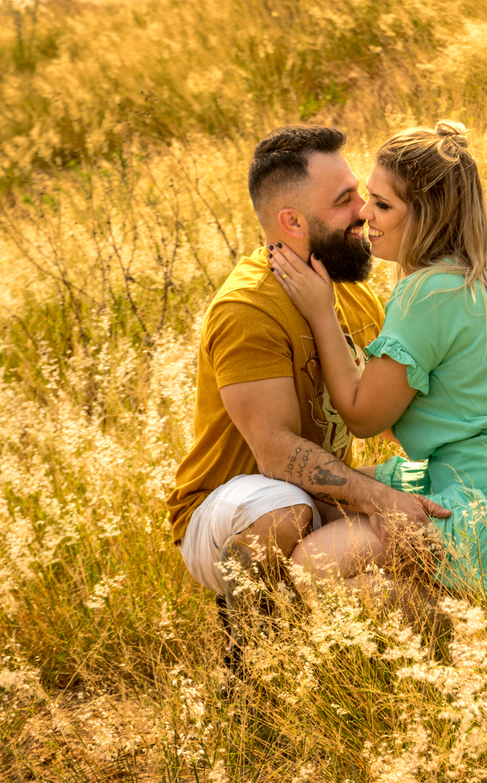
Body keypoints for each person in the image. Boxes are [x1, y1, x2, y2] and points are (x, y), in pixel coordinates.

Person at [269, 120, 487, 598]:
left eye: (383, 205)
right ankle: (466, 604)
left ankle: (454, 631)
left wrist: (320, 311)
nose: (364, 215)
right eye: (367, 198)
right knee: (328, 496)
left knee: (314, 564)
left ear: (427, 217)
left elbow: (362, 416)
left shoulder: (429, 293)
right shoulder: (471, 277)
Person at [166, 125, 451, 642]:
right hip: (229, 513)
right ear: (292, 221)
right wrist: (381, 500)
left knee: (412, 546)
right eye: (344, 201)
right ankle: (248, 658)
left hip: (319, 497)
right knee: (282, 507)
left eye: (361, 195)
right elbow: (275, 455)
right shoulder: (248, 308)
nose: (364, 210)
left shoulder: (349, 292)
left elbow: (382, 413)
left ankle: (326, 657)